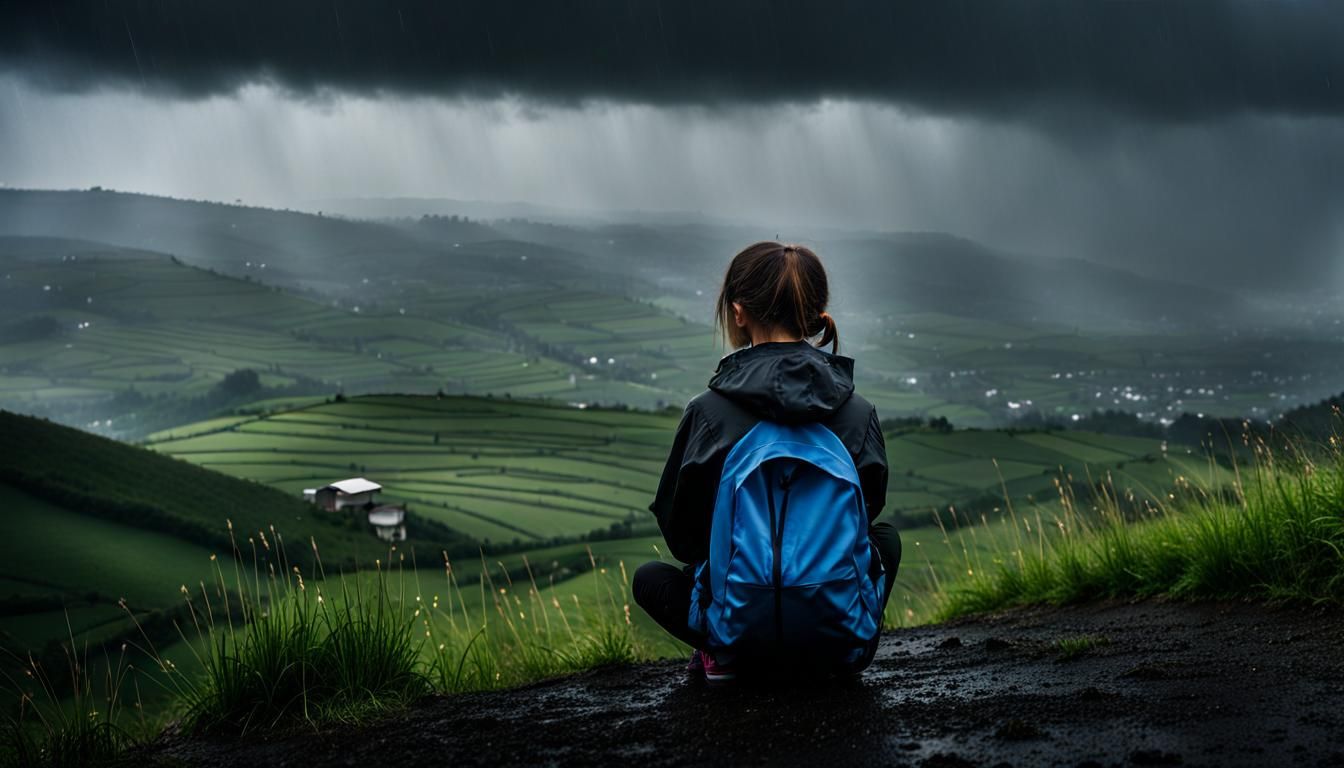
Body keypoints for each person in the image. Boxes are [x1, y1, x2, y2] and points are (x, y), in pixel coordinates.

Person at [632, 241, 901, 682]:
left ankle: (722, 655)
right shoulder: (857, 412)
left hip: (739, 634)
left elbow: (683, 538)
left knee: (650, 577)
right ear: (815, 311)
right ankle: (837, 643)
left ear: (738, 312)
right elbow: (866, 514)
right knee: (886, 540)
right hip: (834, 639)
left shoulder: (707, 413)